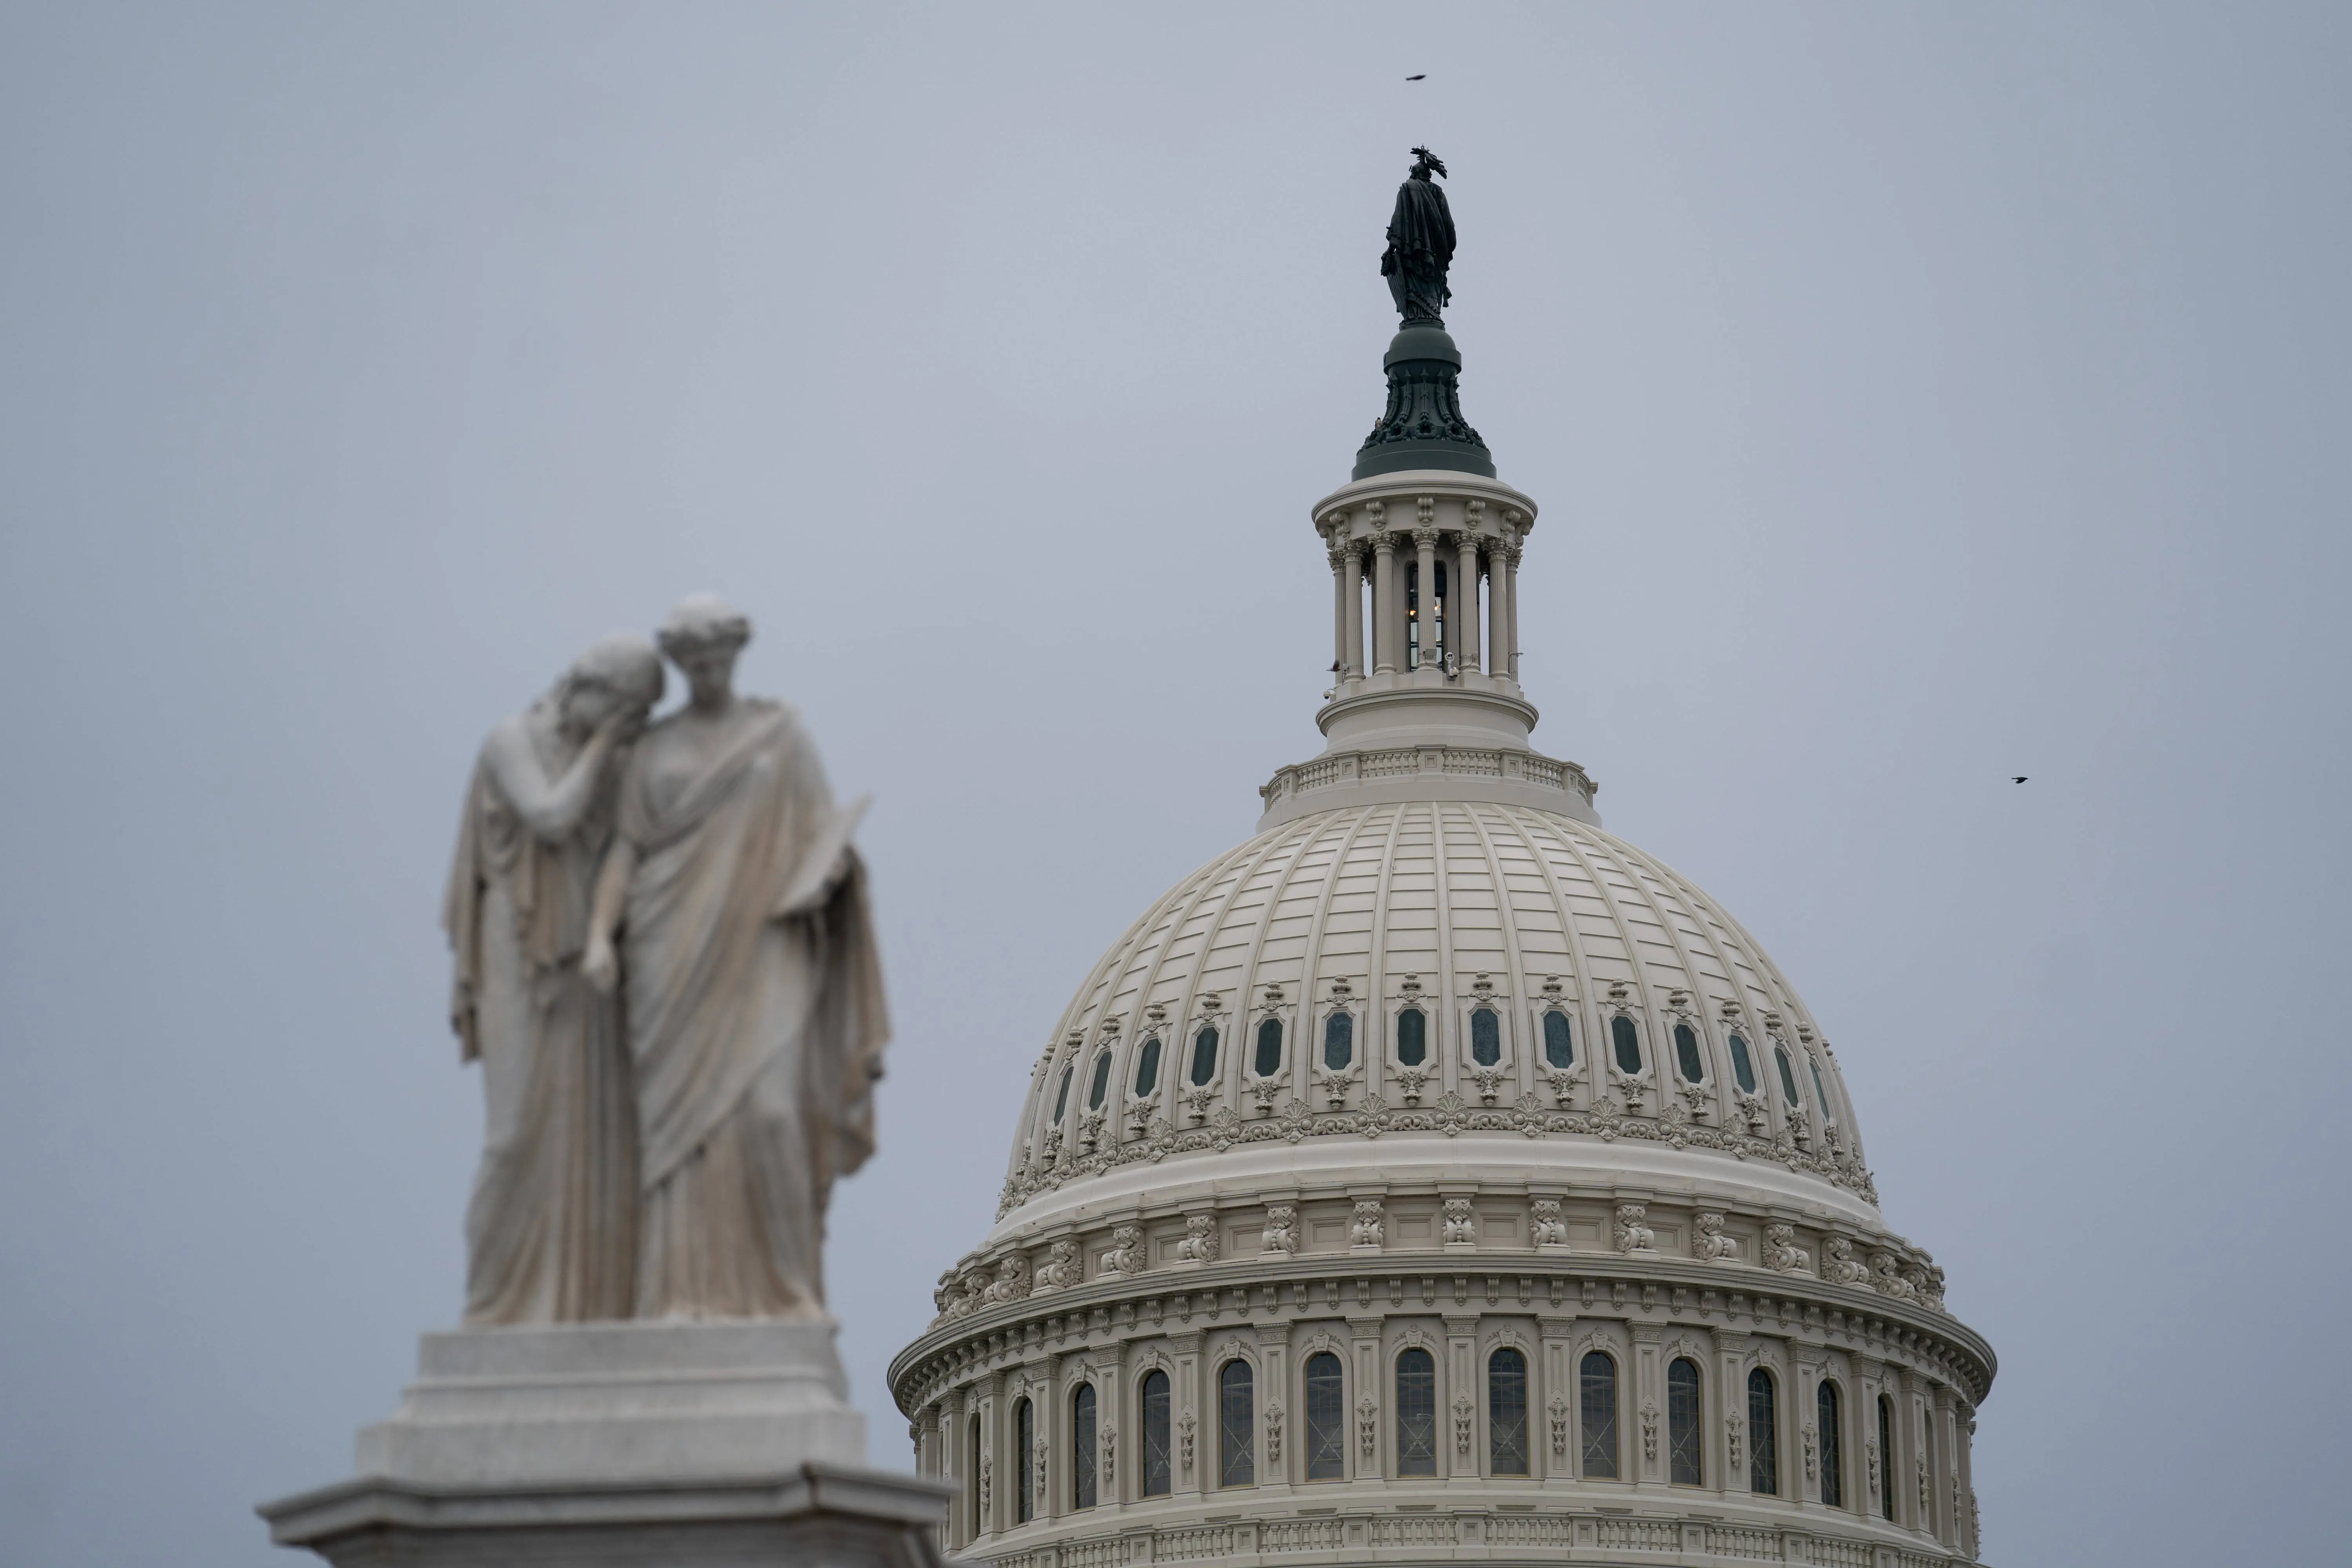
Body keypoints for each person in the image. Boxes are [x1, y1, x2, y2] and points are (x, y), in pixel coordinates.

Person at [584, 596, 887, 1319]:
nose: (708, 671)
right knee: (678, 1141)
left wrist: (834, 873)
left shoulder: (780, 737)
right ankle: (676, 1294)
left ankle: (787, 1289)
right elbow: (625, 852)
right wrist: (599, 935)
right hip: (670, 948)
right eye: (695, 662)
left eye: (718, 657)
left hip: (766, 942)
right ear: (680, 665)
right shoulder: (652, 751)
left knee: (772, 1116)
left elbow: (825, 834)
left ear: (736, 655)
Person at [443, 633, 663, 1324]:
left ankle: (579, 1308)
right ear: (593, 690)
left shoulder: (611, 761)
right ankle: (492, 1306)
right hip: (521, 954)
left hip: (583, 967)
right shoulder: (514, 740)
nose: (629, 728)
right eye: (626, 710)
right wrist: (605, 746)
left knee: (588, 1146)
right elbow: (550, 816)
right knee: (514, 1137)